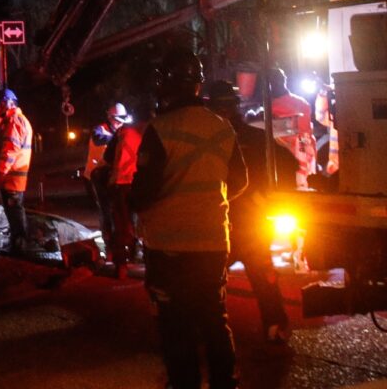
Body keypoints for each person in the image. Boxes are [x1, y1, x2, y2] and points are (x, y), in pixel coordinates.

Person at [127, 48, 248, 389]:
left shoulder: (161, 129)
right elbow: (239, 182)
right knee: (214, 319)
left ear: (165, 84)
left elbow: (144, 192)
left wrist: (133, 202)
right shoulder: (222, 128)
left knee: (175, 325)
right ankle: (226, 383)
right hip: (212, 244)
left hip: (169, 248)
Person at [206, 80, 295, 343]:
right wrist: (267, 198)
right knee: (261, 276)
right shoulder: (254, 138)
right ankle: (275, 325)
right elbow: (288, 164)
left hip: (227, 223)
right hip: (247, 221)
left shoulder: (213, 143)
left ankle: (212, 332)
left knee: (212, 280)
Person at [102, 98, 155, 279]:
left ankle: (121, 266)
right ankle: (150, 264)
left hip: (120, 183)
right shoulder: (153, 131)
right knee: (147, 224)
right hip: (142, 182)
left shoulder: (123, 131)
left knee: (122, 225)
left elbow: (108, 156)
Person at [0, 88, 34, 255]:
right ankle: (17, 244)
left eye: (0, 104)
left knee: (15, 212)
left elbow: (10, 151)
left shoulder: (14, 121)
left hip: (12, 178)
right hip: (11, 178)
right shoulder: (11, 121)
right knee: (13, 212)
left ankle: (20, 246)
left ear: (8, 103)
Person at [83, 102, 130, 251]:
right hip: (95, 175)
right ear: (110, 118)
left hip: (108, 175)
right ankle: (109, 242)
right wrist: (117, 138)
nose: (118, 123)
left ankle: (117, 240)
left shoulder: (121, 131)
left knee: (115, 210)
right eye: (116, 120)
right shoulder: (100, 129)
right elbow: (98, 138)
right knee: (105, 210)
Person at [268, 68, 317, 189]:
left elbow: (305, 136)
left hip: (293, 158)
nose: (274, 84)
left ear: (283, 81)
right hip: (279, 158)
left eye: (276, 80)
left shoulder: (300, 104)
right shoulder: (266, 106)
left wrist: (303, 161)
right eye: (272, 81)